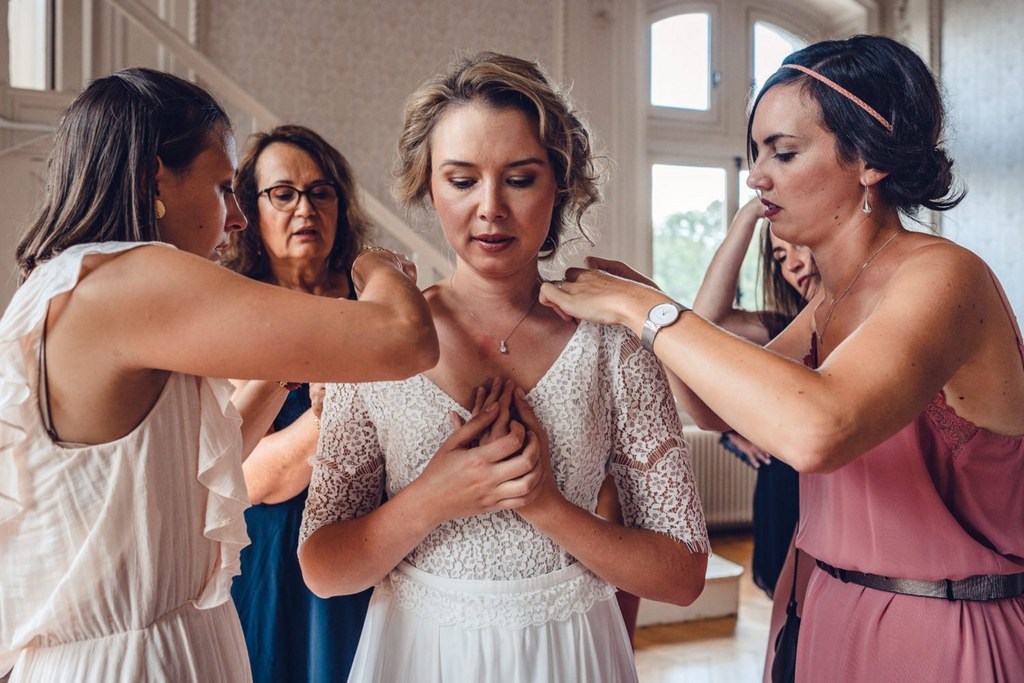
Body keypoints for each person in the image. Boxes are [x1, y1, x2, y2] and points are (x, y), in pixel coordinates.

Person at [542, 35, 1024, 681]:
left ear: (869, 161)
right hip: (823, 604)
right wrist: (653, 302)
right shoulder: (834, 295)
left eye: (784, 152)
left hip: (938, 628)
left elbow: (818, 430)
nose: (756, 176)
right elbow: (715, 409)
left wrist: (644, 313)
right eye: (755, 153)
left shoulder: (944, 276)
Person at [0, 68, 438, 682]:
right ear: (157, 177)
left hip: (161, 644)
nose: (235, 217)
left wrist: (292, 364)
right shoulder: (133, 279)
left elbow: (194, 469)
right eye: (222, 187)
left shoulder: (77, 282)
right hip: (134, 664)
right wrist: (376, 263)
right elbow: (408, 339)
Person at [298, 51, 709, 682]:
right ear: (428, 185)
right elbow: (323, 569)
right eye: (462, 181)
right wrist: (430, 500)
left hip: (569, 654)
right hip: (419, 654)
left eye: (519, 178)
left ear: (559, 185)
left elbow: (682, 575)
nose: (490, 208)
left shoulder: (610, 345)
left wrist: (545, 505)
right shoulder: (377, 345)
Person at [222, 124, 374, 682]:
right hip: (271, 558)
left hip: (366, 544)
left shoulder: (376, 309)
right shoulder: (231, 314)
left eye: (320, 191)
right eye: (282, 193)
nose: (304, 207)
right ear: (250, 212)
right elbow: (246, 477)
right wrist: (327, 423)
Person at [693, 198, 818, 597]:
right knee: (784, 602)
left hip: (848, 499)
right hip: (784, 485)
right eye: (780, 255)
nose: (793, 264)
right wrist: (747, 217)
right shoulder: (781, 327)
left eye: (799, 245)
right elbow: (704, 324)